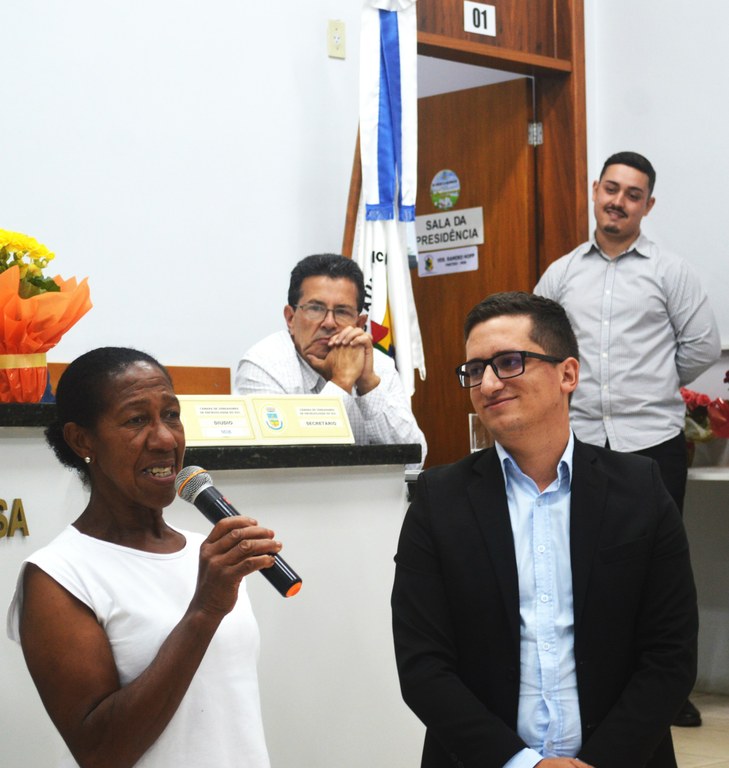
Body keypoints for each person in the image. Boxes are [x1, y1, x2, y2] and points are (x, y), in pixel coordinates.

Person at [391, 291, 698, 768]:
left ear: (567, 374)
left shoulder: (640, 490)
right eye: (475, 370)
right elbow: (422, 665)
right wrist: (523, 763)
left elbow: (670, 654)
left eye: (508, 362)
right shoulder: (438, 500)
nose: (488, 383)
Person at [7, 347, 278, 768]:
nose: (165, 439)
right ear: (82, 440)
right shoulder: (58, 577)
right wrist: (204, 611)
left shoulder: (207, 556)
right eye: (136, 420)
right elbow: (100, 753)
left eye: (171, 415)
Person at [534, 151, 719, 727]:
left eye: (632, 194)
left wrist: (654, 383)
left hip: (653, 441)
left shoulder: (670, 271)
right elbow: (538, 343)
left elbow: (701, 346)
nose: (619, 201)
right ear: (595, 191)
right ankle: (593, 680)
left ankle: (669, 688)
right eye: (611, 189)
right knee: (582, 563)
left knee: (660, 570)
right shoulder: (562, 274)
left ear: (648, 205)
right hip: (580, 441)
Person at [234, 253, 427, 464]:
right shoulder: (263, 365)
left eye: (342, 312)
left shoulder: (378, 366)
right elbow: (282, 463)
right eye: (315, 308)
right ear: (290, 318)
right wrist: (342, 382)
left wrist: (367, 384)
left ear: (359, 324)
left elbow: (414, 462)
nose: (329, 323)